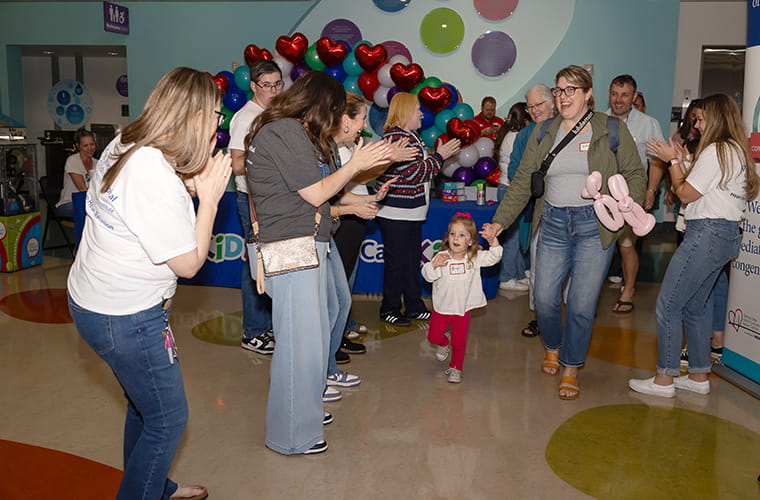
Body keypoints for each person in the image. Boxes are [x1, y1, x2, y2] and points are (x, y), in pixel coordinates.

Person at [67, 67, 231, 500]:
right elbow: (190, 264)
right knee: (168, 419)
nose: (219, 123)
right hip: (126, 318)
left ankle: (153, 484)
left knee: (145, 408)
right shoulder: (154, 175)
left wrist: (188, 186)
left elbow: (148, 204)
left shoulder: (129, 139)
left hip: (96, 302)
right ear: (194, 114)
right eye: (216, 114)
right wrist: (209, 199)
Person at [245, 71, 391, 455]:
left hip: (301, 246)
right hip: (291, 248)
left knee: (308, 343)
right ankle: (291, 436)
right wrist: (355, 165)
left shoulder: (287, 132)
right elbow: (316, 194)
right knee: (298, 347)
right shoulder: (285, 132)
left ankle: (304, 416)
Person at [482, 65, 646, 399]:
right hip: (554, 222)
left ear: (588, 94)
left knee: (582, 303)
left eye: (572, 89)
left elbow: (634, 173)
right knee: (544, 299)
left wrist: (626, 208)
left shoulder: (611, 128)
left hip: (594, 225)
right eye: (559, 90)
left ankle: (571, 366)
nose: (564, 96)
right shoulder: (543, 132)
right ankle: (553, 345)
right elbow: (523, 183)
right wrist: (500, 221)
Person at [630, 93, 759, 397]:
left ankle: (665, 379)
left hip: (707, 234)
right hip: (725, 235)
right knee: (696, 307)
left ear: (715, 118)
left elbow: (685, 193)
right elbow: (696, 185)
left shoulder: (717, 150)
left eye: (701, 119)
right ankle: (699, 375)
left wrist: (672, 159)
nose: (696, 125)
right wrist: (679, 159)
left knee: (668, 305)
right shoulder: (734, 150)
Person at [375, 92, 461, 326]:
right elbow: (415, 173)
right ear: (404, 113)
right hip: (396, 212)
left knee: (411, 260)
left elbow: (419, 168)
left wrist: (436, 156)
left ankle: (413, 305)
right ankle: (390, 308)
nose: (421, 113)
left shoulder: (411, 136)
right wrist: (440, 156)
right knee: (397, 262)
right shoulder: (397, 138)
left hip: (409, 212)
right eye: (417, 110)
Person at [228, 59, 282, 355]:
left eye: (277, 84)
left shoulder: (275, 114)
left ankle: (267, 324)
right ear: (253, 86)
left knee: (270, 264)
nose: (273, 90)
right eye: (266, 85)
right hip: (252, 200)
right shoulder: (246, 117)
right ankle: (254, 331)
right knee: (254, 264)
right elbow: (236, 164)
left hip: (275, 200)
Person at [605, 74, 666, 314]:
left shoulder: (647, 124)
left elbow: (656, 162)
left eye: (624, 95)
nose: (618, 100)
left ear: (634, 97)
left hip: (631, 197)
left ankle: (628, 290)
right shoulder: (597, 120)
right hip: (600, 196)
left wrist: (651, 190)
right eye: (614, 94)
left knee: (627, 246)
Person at [422, 213, 502, 383]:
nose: (455, 238)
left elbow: (494, 257)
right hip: (442, 308)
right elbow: (427, 276)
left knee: (459, 342)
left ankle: (456, 367)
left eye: (462, 235)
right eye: (452, 234)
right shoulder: (441, 256)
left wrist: (493, 241)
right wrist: (434, 265)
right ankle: (443, 343)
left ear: (470, 241)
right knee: (433, 337)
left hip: (462, 309)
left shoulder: (475, 258)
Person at [507, 84, 556, 337]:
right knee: (537, 267)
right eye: (530, 106)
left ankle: (569, 317)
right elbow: (513, 171)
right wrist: (533, 181)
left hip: (569, 209)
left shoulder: (566, 128)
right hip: (537, 210)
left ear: (553, 103)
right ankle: (539, 317)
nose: (535, 110)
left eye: (539, 105)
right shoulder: (524, 135)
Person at [493, 102, 532, 291]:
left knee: (516, 236)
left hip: (505, 187)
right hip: (511, 189)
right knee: (512, 238)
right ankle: (507, 277)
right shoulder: (517, 137)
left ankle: (517, 273)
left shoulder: (508, 134)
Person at [56, 128, 97, 218]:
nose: (90, 148)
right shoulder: (72, 161)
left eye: (92, 144)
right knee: (93, 212)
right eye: (85, 145)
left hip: (90, 202)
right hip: (69, 203)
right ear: (78, 146)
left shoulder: (97, 163)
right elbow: (82, 189)